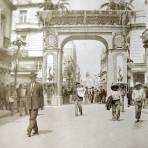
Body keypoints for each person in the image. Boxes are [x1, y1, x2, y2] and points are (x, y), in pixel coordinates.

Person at [26, 72, 44, 137]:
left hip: (36, 104)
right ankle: (36, 130)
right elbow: (27, 95)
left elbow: (41, 96)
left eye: (33, 77)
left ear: (35, 78)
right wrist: (26, 103)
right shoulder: (28, 85)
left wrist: (41, 105)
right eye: (31, 78)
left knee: (32, 118)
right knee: (33, 118)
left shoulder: (39, 85)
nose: (32, 79)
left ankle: (29, 130)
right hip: (30, 104)